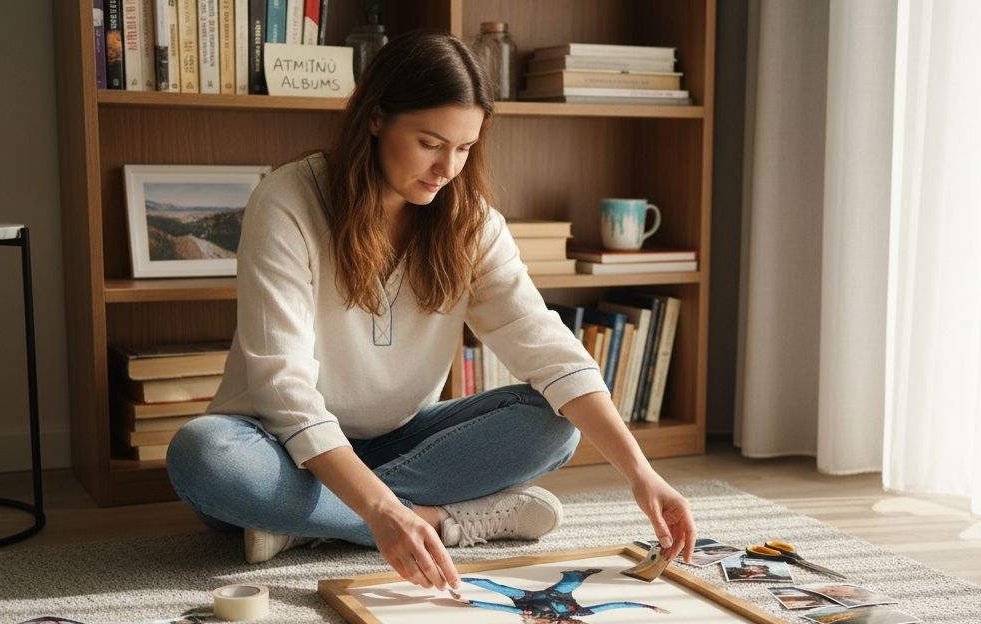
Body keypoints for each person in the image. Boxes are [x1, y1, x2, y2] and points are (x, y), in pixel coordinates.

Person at [165, 29, 695, 589]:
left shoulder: (471, 221)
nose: (447, 168)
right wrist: (385, 512)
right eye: (430, 142)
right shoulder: (288, 201)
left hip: (397, 438)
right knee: (204, 456)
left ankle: (309, 523)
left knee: (555, 424)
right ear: (375, 118)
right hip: (272, 443)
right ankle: (435, 521)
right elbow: (284, 391)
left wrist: (642, 474)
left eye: (465, 148)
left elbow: (543, 343)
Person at [455, 568, 670, 624]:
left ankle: (459, 578)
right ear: (582, 621)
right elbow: (616, 605)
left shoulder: (541, 622)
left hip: (526, 599)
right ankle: (580, 574)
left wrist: (471, 602)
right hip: (559, 596)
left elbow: (506, 610)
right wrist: (649, 606)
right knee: (572, 581)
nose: (570, 623)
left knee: (496, 587)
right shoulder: (582, 612)